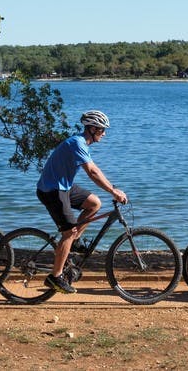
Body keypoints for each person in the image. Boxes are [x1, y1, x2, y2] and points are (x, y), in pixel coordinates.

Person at [36, 110, 128, 294]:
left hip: (64, 187)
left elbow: (95, 168)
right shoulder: (77, 143)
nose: (104, 133)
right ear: (92, 128)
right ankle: (55, 277)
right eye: (102, 129)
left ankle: (74, 241)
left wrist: (112, 188)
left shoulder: (82, 144)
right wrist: (112, 191)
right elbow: (92, 172)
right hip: (52, 190)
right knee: (68, 232)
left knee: (94, 203)